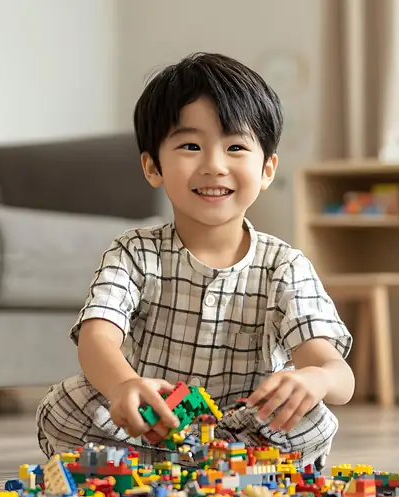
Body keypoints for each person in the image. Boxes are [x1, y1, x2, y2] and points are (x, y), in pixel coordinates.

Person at [36, 52, 354, 468]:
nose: (214, 166)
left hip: (247, 432)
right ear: (153, 167)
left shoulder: (285, 266)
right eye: (190, 146)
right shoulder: (134, 251)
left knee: (314, 419)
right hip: (150, 421)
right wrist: (125, 386)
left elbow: (335, 371)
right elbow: (98, 337)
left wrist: (316, 379)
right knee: (64, 404)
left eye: (236, 147)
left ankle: (195, 466)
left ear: (267, 169)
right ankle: (170, 464)